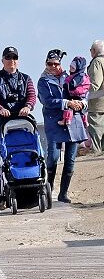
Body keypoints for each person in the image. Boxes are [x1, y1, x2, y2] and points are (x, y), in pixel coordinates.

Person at [0, 46, 36, 204]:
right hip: (0, 122)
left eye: (14, 58)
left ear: (18, 61)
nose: (11, 61)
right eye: (8, 58)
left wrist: (28, 106)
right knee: (0, 159)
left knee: (26, 152)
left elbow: (31, 95)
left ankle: (31, 184)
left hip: (22, 121)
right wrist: (0, 109)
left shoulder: (26, 79)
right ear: (2, 60)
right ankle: (1, 191)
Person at [38, 49, 87, 203]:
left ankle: (63, 193)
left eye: (56, 63)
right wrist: (67, 103)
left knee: (70, 160)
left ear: (61, 64)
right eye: (49, 63)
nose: (53, 66)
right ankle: (48, 191)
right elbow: (47, 101)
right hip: (54, 123)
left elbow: (84, 94)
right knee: (52, 158)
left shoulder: (72, 77)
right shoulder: (43, 81)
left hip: (73, 123)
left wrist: (82, 104)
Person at [60, 56, 90, 126]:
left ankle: (67, 119)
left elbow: (72, 84)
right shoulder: (81, 75)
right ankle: (85, 121)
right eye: (70, 67)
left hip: (75, 94)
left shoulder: (79, 76)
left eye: (73, 68)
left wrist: (64, 85)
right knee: (82, 109)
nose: (70, 69)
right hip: (81, 96)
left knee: (69, 106)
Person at [87, 40, 104, 154]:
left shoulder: (97, 62)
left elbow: (95, 84)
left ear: (93, 51)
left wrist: (81, 93)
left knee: (96, 132)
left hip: (98, 105)